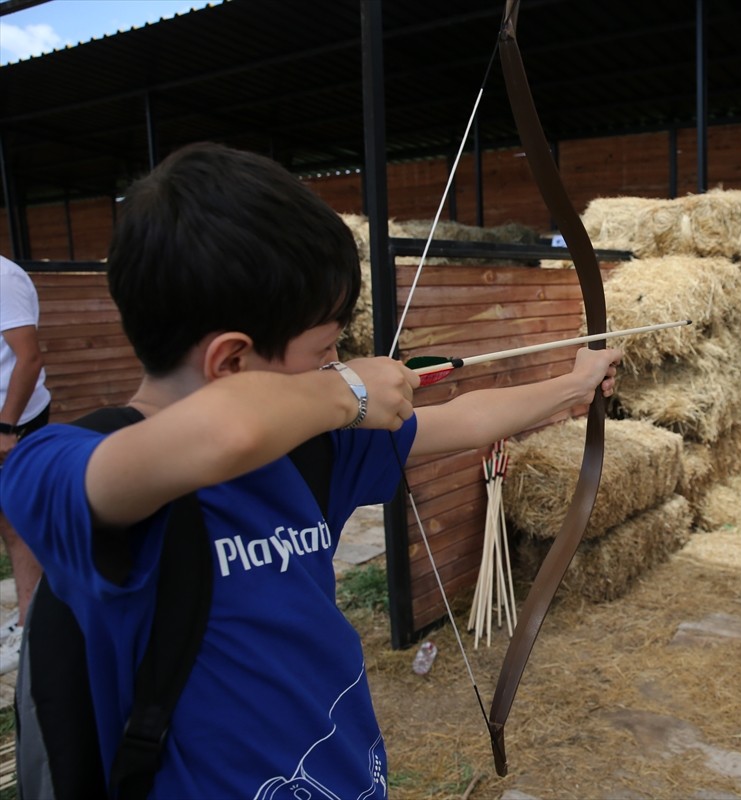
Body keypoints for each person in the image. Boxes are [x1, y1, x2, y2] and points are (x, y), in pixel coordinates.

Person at [0, 142, 620, 797]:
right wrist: (348, 392)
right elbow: (228, 428)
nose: (336, 362)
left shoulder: (309, 450)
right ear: (232, 361)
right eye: (325, 348)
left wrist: (572, 386)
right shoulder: (64, 469)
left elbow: (462, 420)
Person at [0, 255, 53, 675]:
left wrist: (7, 425)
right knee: (7, 523)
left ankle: (32, 624)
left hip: (12, 422)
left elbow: (29, 358)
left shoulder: (3, 278)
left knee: (19, 523)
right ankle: (25, 609)